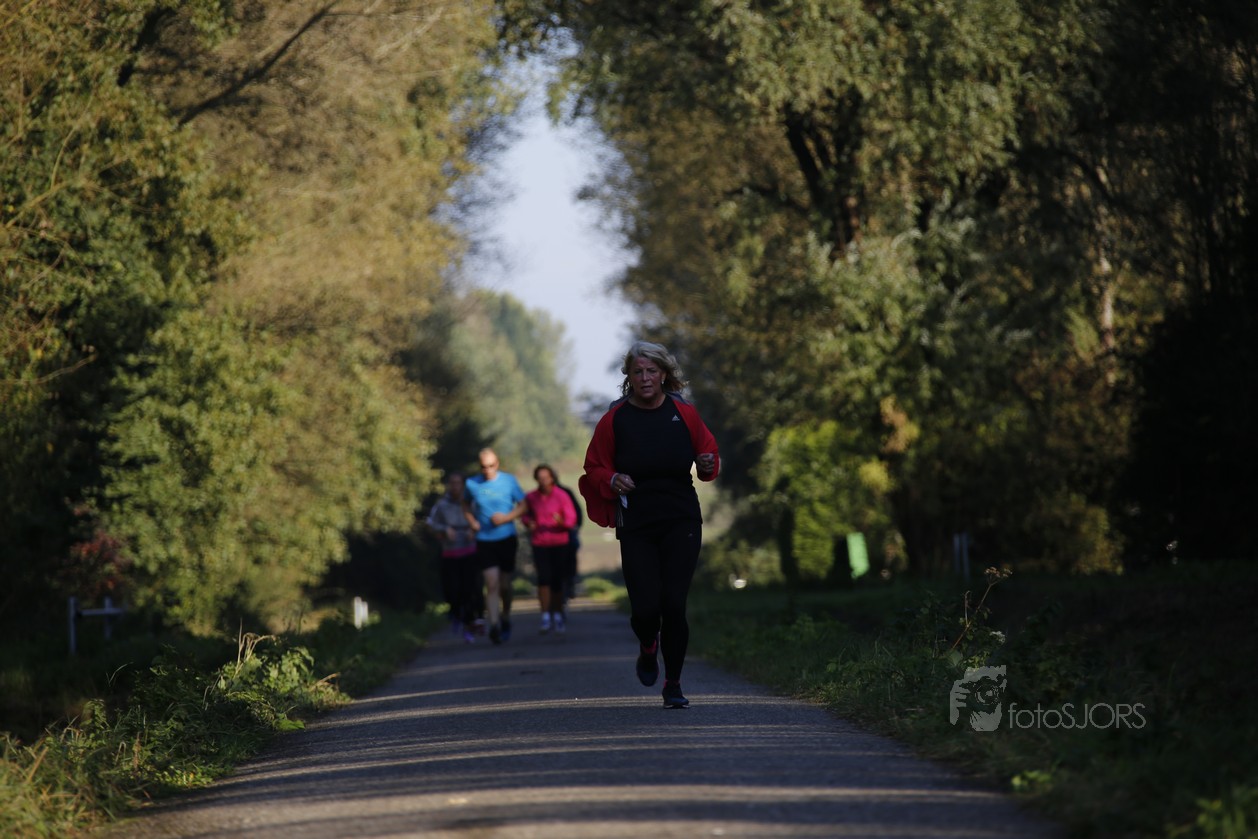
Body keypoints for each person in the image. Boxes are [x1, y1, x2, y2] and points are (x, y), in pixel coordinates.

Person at [579, 341, 719, 709]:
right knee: (644, 609)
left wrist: (707, 464)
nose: (644, 378)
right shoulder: (615, 419)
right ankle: (647, 644)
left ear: (663, 374)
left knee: (673, 604)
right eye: (637, 372)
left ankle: (673, 683)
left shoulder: (684, 413)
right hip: (637, 522)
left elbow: (708, 455)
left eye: (651, 371)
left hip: (680, 517)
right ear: (629, 376)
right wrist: (611, 479)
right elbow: (593, 467)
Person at [463, 447, 527, 644]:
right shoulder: (472, 483)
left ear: (497, 464)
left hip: (506, 538)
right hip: (484, 540)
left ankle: (505, 616)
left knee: (505, 585)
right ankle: (494, 625)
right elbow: (465, 505)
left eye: (491, 466)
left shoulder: (509, 481)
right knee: (491, 583)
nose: (487, 470)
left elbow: (524, 505)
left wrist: (506, 518)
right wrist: (472, 522)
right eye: (484, 467)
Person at [521, 464, 578, 634]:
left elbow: (571, 519)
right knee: (543, 579)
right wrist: (528, 523)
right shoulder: (531, 497)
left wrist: (561, 522)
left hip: (559, 542)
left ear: (552, 478)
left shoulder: (562, 495)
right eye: (540, 478)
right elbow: (524, 514)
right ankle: (545, 615)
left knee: (557, 580)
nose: (543, 481)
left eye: (546, 478)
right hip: (540, 542)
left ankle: (558, 614)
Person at [425, 473, 479, 643]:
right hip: (450, 553)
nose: (455, 486)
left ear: (463, 485)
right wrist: (444, 530)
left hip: (469, 551)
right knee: (452, 590)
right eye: (452, 483)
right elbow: (430, 524)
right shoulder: (441, 505)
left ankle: (469, 623)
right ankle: (456, 614)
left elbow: (481, 520)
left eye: (458, 483)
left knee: (468, 589)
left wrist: (473, 529)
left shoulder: (472, 503)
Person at [553, 468, 584, 606]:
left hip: (567, 532)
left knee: (571, 553)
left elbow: (577, 512)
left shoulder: (565, 492)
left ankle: (570, 583)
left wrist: (575, 526)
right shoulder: (539, 495)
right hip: (548, 537)